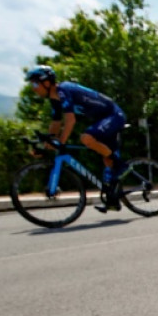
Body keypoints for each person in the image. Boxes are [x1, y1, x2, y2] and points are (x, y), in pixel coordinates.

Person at [25, 65, 127, 213]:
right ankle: (113, 198)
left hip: (112, 115)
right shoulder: (55, 100)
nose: (33, 88)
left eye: (35, 83)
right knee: (107, 160)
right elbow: (55, 123)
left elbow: (70, 120)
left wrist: (61, 142)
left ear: (46, 82)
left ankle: (121, 165)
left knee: (86, 138)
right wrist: (47, 144)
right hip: (102, 119)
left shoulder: (63, 90)